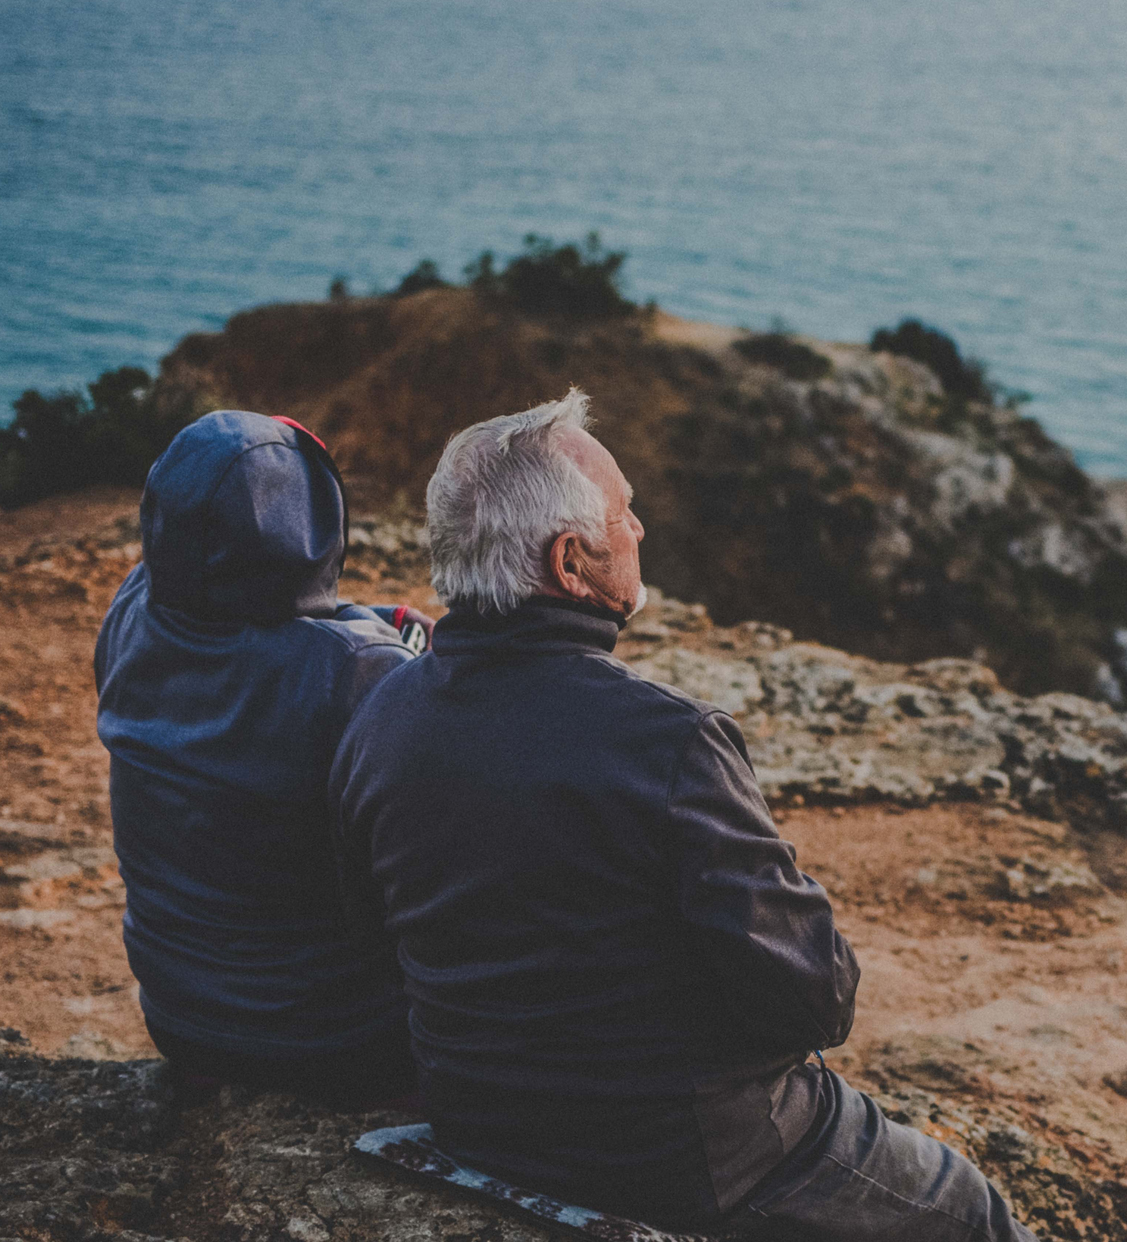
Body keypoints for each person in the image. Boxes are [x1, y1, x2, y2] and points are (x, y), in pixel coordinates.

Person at [331, 391, 1037, 1238]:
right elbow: (816, 1001)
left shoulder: (381, 714)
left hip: (475, 1119)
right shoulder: (666, 742)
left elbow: (369, 931)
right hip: (692, 1155)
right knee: (968, 1208)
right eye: (625, 516)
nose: (641, 532)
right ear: (569, 561)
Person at [96, 410, 430, 1103]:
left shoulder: (130, 614)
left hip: (180, 1019)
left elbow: (250, 621)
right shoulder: (358, 673)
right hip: (336, 1039)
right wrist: (401, 640)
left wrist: (368, 621)